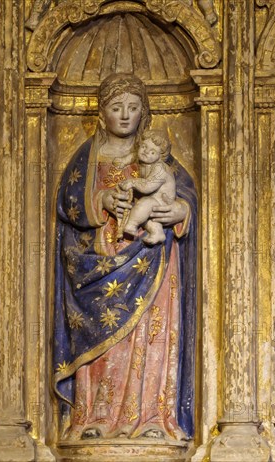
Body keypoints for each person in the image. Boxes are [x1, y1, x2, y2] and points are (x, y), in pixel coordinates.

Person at [53, 74, 197, 441]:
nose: (124, 115)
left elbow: (186, 196)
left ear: (144, 114)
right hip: (99, 261)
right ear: (101, 116)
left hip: (151, 259)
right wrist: (99, 200)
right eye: (116, 108)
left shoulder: (158, 157)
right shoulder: (87, 157)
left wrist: (181, 211)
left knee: (152, 334)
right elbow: (67, 202)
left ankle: (151, 415)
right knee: (106, 342)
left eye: (133, 108)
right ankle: (96, 417)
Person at [118, 129, 176, 245]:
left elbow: (148, 186)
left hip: (163, 202)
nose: (146, 152)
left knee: (143, 205)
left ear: (160, 157)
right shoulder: (145, 160)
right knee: (143, 213)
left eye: (153, 152)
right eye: (144, 146)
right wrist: (123, 161)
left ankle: (131, 227)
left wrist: (132, 182)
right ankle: (157, 232)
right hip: (153, 200)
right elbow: (134, 156)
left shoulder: (160, 168)